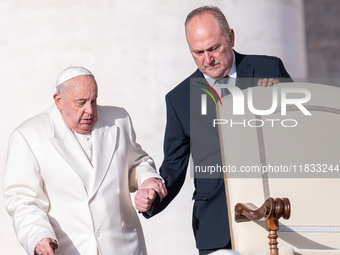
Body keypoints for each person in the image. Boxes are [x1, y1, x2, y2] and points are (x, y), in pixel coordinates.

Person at [135, 5, 293, 255]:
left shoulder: (269, 70)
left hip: (277, 217)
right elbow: (173, 167)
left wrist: (280, 103)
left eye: (214, 48)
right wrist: (152, 197)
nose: (207, 59)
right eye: (197, 52)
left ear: (230, 36)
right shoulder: (179, 99)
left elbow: (301, 135)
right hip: (216, 227)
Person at [3, 66, 167, 255]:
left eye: (94, 101)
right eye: (81, 103)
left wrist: (148, 181)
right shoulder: (28, 136)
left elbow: (137, 163)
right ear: (59, 101)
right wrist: (38, 236)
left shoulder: (119, 120)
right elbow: (22, 200)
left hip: (124, 247)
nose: (90, 110)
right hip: (71, 249)